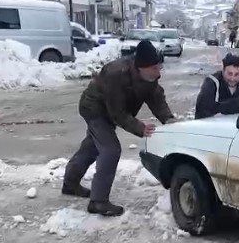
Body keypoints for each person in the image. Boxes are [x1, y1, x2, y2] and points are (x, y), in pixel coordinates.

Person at [62, 39, 174, 217]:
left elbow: (156, 98)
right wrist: (139, 127)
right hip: (94, 108)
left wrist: (168, 119)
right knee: (110, 149)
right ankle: (98, 202)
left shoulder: (149, 77)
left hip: (110, 111)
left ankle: (70, 183)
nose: (158, 72)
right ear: (141, 67)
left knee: (92, 147)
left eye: (159, 67)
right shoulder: (116, 73)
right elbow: (117, 112)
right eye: (154, 68)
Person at [194, 54, 239, 119]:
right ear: (223, 70)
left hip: (234, 120)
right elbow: (201, 113)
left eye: (236, 74)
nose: (232, 79)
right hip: (214, 121)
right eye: (229, 74)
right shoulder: (212, 83)